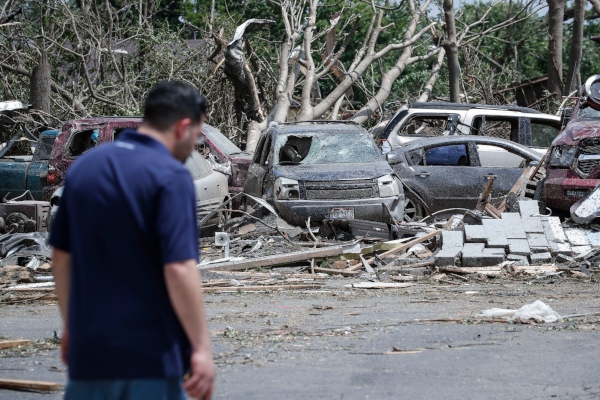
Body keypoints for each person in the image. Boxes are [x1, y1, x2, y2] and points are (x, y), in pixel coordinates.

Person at [51, 81, 215, 400]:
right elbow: (180, 268)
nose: (194, 145)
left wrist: (71, 325)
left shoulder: (85, 168)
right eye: (197, 136)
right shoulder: (170, 176)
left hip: (90, 355)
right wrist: (201, 348)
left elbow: (61, 259)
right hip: (150, 356)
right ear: (183, 127)